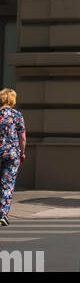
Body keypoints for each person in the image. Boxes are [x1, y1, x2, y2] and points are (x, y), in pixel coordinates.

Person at [0, 89, 25, 226]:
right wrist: (22, 152)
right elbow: (22, 137)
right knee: (7, 184)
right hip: (12, 153)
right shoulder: (17, 115)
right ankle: (3, 215)